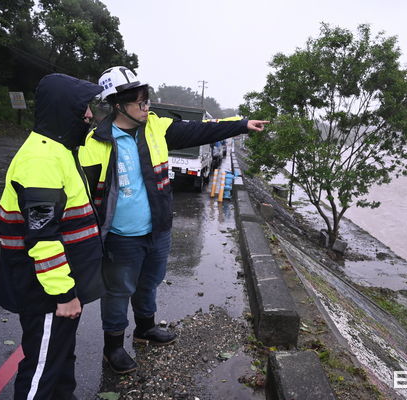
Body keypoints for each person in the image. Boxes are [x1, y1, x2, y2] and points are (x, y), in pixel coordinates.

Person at [79, 66, 269, 374]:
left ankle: (145, 329)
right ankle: (112, 346)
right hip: (120, 238)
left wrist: (242, 124)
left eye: (147, 99)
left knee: (149, 283)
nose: (146, 106)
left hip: (157, 230)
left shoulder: (156, 127)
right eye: (139, 102)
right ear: (117, 104)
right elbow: (83, 197)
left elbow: (203, 130)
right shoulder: (94, 143)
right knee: (118, 292)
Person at [0, 73, 105, 399]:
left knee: (60, 361)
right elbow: (42, 239)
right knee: (41, 370)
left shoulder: (59, 151)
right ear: (64, 108)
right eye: (83, 107)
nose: (89, 115)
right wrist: (64, 294)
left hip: (57, 286)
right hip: (46, 292)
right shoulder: (41, 159)